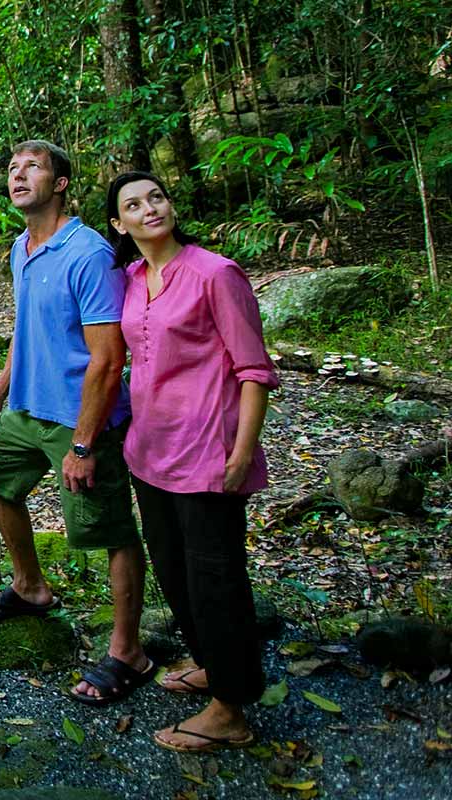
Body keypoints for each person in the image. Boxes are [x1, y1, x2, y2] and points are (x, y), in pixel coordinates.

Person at [0, 141, 152, 706]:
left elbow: (108, 358)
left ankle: (128, 653)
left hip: (81, 419)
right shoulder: (23, 247)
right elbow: (27, 329)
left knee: (110, 530)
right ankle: (30, 587)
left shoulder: (88, 252)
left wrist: (83, 442)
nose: (19, 176)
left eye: (33, 167)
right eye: (12, 169)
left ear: (62, 183)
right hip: (27, 407)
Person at [103, 170, 278, 752]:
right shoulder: (129, 278)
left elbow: (253, 370)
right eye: (134, 203)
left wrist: (242, 451)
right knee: (174, 573)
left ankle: (231, 710)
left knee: (215, 581)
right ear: (119, 223)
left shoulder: (215, 273)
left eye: (157, 196)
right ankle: (212, 664)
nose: (150, 207)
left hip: (208, 453)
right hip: (149, 452)